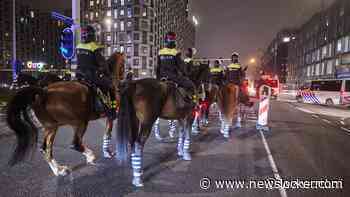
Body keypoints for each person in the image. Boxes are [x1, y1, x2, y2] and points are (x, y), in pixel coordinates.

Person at [76, 25, 116, 120]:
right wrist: (108, 74)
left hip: (79, 75)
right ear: (92, 36)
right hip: (91, 75)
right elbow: (102, 64)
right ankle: (111, 110)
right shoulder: (94, 47)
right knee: (110, 86)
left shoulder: (78, 46)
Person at [156, 32, 196, 102]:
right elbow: (181, 67)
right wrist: (186, 74)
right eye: (173, 39)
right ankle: (191, 101)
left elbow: (158, 67)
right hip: (173, 77)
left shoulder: (160, 52)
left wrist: (157, 78)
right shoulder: (176, 52)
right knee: (191, 85)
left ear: (165, 40)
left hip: (161, 76)